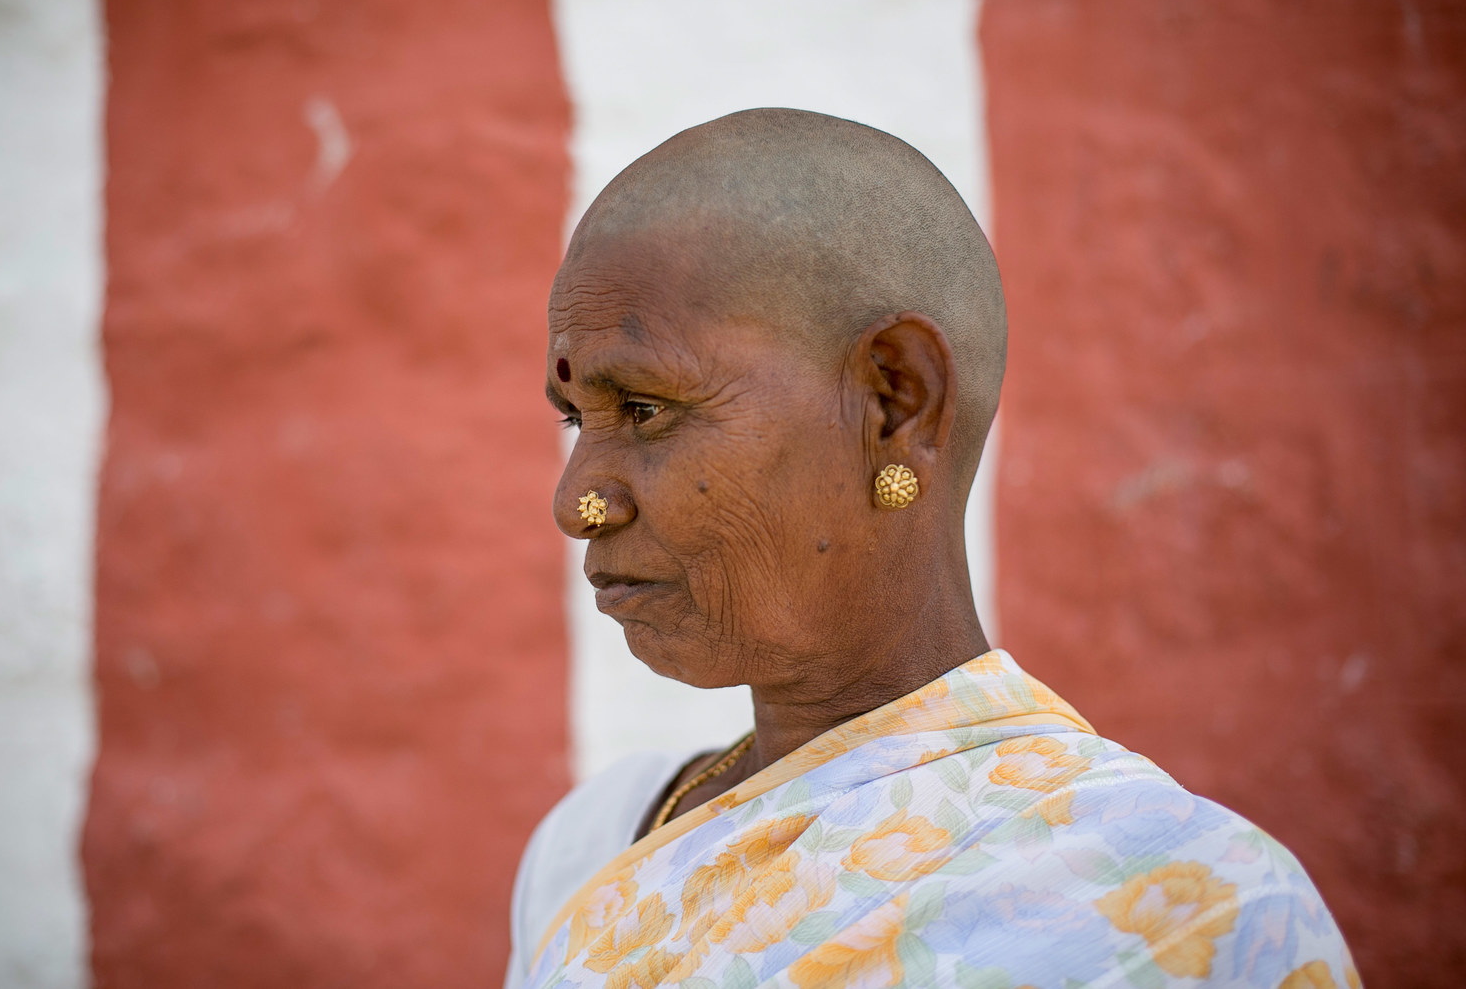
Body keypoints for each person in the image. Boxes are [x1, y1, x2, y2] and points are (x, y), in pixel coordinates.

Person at [505, 109, 1355, 989]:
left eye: (643, 409)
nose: (577, 502)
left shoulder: (1197, 910)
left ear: (895, 401)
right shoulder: (596, 843)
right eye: (576, 418)